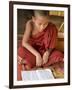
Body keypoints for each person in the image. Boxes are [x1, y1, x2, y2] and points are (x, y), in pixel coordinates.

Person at [17, 10, 64, 80]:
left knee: (59, 55)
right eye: (39, 24)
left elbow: (52, 45)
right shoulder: (30, 24)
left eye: (45, 24)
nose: (42, 27)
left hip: (44, 51)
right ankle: (45, 65)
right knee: (21, 51)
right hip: (32, 52)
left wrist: (47, 53)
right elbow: (24, 43)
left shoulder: (52, 27)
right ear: (34, 19)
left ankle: (37, 65)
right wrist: (37, 55)